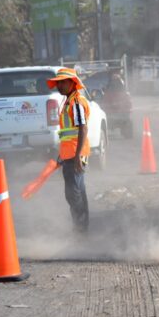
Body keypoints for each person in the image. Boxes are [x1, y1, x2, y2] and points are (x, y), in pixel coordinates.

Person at [47, 68, 90, 233]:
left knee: (73, 194)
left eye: (63, 82)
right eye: (58, 83)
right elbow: (67, 134)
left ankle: (80, 230)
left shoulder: (76, 103)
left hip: (75, 155)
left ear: (72, 83)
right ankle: (82, 230)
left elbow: (83, 129)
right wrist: (62, 156)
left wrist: (78, 155)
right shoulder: (68, 101)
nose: (59, 86)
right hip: (70, 155)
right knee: (77, 192)